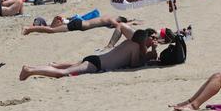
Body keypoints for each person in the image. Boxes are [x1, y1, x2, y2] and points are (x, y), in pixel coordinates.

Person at [19, 29, 158, 80]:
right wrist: (150, 55)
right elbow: (134, 65)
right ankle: (30, 70)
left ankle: (33, 67)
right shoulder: (134, 47)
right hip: (95, 64)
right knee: (62, 73)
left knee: (65, 69)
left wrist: (149, 54)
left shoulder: (128, 42)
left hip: (95, 58)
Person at [22, 15, 129, 35]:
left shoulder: (107, 16)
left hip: (78, 23)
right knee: (51, 30)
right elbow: (117, 25)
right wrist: (129, 23)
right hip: (78, 25)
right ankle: (29, 29)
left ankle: (30, 28)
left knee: (52, 28)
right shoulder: (111, 19)